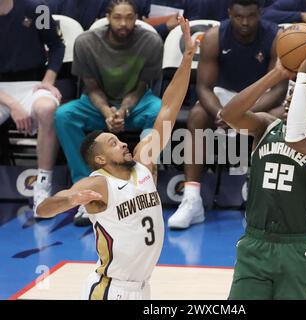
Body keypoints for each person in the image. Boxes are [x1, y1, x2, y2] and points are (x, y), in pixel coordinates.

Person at [36, 17, 198, 300]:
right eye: (113, 143)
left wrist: (186, 57)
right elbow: (44, 210)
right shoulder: (98, 184)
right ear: (99, 159)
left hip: (143, 287)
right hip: (111, 289)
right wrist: (70, 200)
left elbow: (169, 107)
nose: (123, 142)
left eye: (119, 140)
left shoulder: (144, 162)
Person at [220, 40, 306, 300]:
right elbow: (228, 114)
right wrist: (277, 74)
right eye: (290, 95)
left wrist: (305, 75)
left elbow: (296, 139)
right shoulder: (266, 126)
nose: (289, 101)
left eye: (298, 96)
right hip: (255, 243)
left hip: (297, 248)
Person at [167, 0, 288, 230]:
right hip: (223, 99)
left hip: (259, 100)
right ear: (229, 13)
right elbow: (203, 87)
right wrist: (223, 113)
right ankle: (192, 199)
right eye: (239, 16)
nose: (245, 22)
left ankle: (263, 199)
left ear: (259, 13)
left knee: (280, 116)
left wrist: (243, 114)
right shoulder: (214, 37)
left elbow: (279, 88)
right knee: (197, 115)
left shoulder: (275, 37)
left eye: (251, 16)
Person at [54, 0, 163, 226]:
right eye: (118, 17)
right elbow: (90, 87)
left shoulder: (150, 41)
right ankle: (87, 190)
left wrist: (123, 110)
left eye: (129, 17)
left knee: (161, 112)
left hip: (136, 104)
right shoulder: (86, 43)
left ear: (137, 18)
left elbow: (141, 86)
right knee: (64, 115)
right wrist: (106, 112)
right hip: (97, 104)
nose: (123, 23)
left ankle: (142, 184)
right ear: (107, 17)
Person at [0, 0, 65, 215]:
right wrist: (13, 105)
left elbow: (57, 46)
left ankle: (43, 185)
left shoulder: (38, 8)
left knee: (47, 109)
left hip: (32, 83)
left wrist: (48, 80)